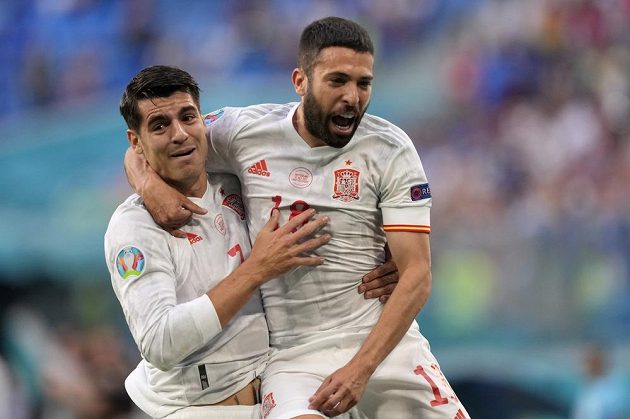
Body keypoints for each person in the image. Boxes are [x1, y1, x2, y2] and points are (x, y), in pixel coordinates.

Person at [127, 17, 468, 418]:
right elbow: (154, 139)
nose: (352, 97)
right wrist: (148, 186)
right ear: (300, 81)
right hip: (293, 356)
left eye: (363, 83)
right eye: (337, 81)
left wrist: (359, 370)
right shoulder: (243, 131)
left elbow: (417, 273)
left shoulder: (390, 148)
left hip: (384, 342)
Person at [105, 65, 334, 418]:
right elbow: (159, 342)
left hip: (277, 388)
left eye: (187, 117)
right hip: (196, 408)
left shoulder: (237, 176)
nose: (179, 134)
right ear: (136, 142)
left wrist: (388, 253)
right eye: (159, 125)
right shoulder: (134, 228)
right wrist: (256, 270)